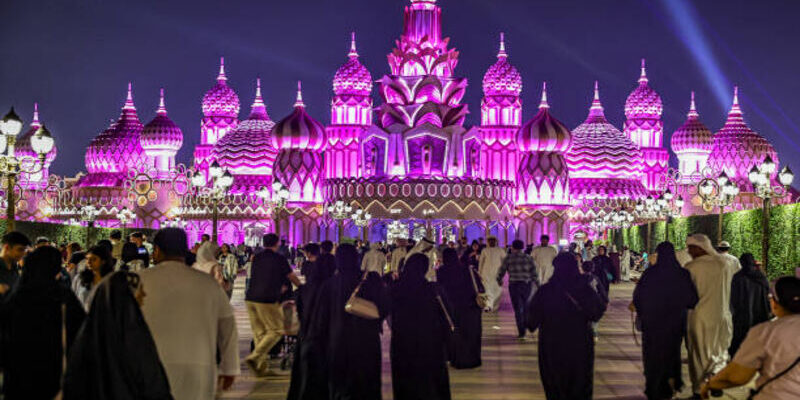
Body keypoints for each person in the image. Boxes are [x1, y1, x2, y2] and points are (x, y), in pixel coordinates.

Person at [138, 228, 239, 400]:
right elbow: (227, 326)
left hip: (149, 364)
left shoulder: (139, 281)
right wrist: (229, 368)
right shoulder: (207, 283)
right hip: (199, 365)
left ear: (156, 250)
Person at [63, 270, 172, 400]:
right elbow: (152, 383)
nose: (144, 294)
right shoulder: (134, 335)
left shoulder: (87, 337)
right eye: (139, 291)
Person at [0, 246, 86, 400]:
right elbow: (82, 336)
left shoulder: (16, 297)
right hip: (53, 378)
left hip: (17, 378)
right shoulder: (63, 297)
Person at [701, 276, 800, 399]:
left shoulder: (765, 332)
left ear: (774, 303)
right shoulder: (760, 279)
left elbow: (737, 377)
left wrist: (710, 384)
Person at [527, 252, 607, 399]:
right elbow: (598, 311)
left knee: (554, 382)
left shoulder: (546, 291)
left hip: (552, 344)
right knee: (580, 381)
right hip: (580, 342)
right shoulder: (584, 289)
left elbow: (531, 321)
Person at [633, 242, 699, 400]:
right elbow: (692, 299)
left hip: (653, 324)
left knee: (652, 355)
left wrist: (644, 312)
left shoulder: (650, 274)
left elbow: (638, 298)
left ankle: (653, 387)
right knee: (672, 354)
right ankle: (671, 385)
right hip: (674, 324)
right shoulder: (682, 274)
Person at [326, 243, 389, 399]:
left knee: (342, 381)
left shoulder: (330, 284)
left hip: (339, 338)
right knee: (366, 379)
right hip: (366, 338)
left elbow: (322, 315)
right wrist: (376, 322)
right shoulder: (370, 279)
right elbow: (385, 305)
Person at [391, 253, 452, 400]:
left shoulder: (396, 288)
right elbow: (448, 314)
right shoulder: (433, 289)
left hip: (403, 342)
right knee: (430, 380)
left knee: (405, 379)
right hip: (430, 342)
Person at [684, 233, 738, 397]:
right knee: (720, 350)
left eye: (691, 248)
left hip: (699, 316)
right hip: (722, 313)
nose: (689, 251)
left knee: (699, 354)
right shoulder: (725, 264)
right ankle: (716, 379)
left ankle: (699, 390)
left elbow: (685, 294)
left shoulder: (691, 267)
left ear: (699, 248)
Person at [244, 233, 301, 376]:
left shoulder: (256, 257)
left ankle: (260, 368)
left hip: (250, 298)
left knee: (259, 334)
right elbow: (291, 276)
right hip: (266, 299)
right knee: (277, 330)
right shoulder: (279, 258)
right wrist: (302, 287)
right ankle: (255, 357)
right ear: (277, 243)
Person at [286, 241, 335, 400]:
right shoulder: (333, 289)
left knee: (307, 381)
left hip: (308, 339)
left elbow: (299, 314)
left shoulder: (305, 290)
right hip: (329, 342)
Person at [437, 248, 482, 369]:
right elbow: (479, 286)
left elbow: (440, 289)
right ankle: (472, 359)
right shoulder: (466, 269)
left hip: (452, 307)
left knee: (456, 334)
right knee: (471, 334)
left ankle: (456, 358)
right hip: (470, 306)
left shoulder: (442, 271)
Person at [729, 252, 772, 357]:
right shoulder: (761, 277)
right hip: (760, 313)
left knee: (740, 338)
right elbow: (768, 294)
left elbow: (733, 298)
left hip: (742, 315)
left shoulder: (737, 277)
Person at [497, 239, 537, 339]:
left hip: (514, 285)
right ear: (523, 247)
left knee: (517, 308)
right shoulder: (528, 258)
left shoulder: (509, 258)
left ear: (513, 247)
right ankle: (527, 323)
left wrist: (499, 280)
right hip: (526, 284)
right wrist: (538, 283)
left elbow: (501, 271)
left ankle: (521, 331)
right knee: (526, 305)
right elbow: (534, 272)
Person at [74, 245, 115, 310]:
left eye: (94, 259)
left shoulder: (112, 280)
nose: (89, 262)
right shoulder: (79, 278)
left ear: (103, 261)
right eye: (87, 258)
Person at [0, 232, 31, 301]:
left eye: (24, 250)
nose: (23, 254)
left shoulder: (14, 267)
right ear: (7, 247)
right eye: (20, 249)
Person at [478, 236, 505, 312]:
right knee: (487, 289)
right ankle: (488, 305)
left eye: (493, 241)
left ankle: (494, 306)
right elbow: (481, 262)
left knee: (497, 289)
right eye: (490, 241)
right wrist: (479, 273)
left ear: (496, 242)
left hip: (497, 273)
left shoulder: (500, 250)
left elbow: (504, 262)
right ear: (488, 242)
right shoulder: (484, 250)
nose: (491, 242)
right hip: (486, 273)